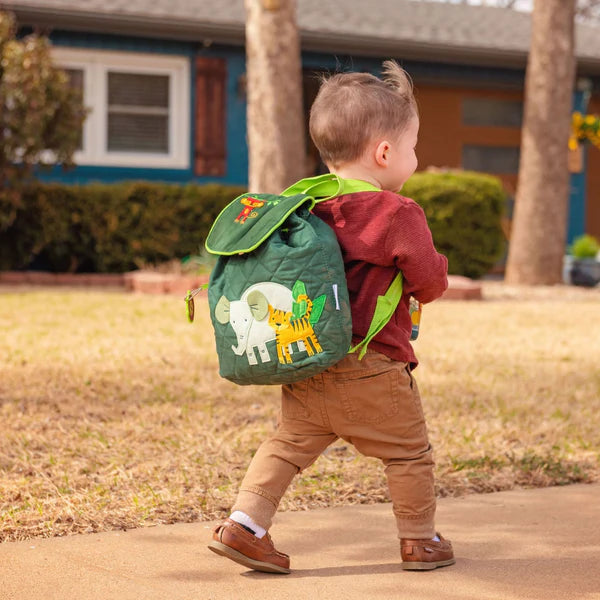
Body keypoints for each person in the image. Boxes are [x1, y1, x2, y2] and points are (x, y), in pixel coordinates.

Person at [208, 61, 454, 573]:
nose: (414, 156)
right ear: (385, 152)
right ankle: (419, 540)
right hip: (375, 368)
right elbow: (429, 281)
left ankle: (244, 526)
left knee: (286, 445)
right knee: (408, 455)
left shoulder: (305, 205)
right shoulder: (397, 214)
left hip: (309, 360)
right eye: (412, 145)